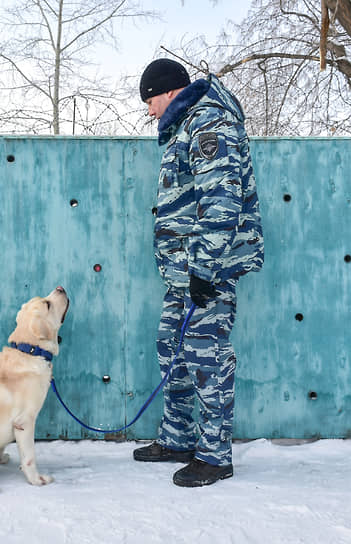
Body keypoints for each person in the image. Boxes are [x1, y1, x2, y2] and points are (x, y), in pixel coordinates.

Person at [133, 58, 264, 487]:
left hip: (207, 270)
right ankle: (178, 438)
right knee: (170, 347)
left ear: (166, 91)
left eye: (149, 101)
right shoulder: (185, 128)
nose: (149, 111)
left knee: (206, 355)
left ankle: (214, 456)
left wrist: (206, 268)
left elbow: (222, 197)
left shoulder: (208, 124)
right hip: (182, 271)